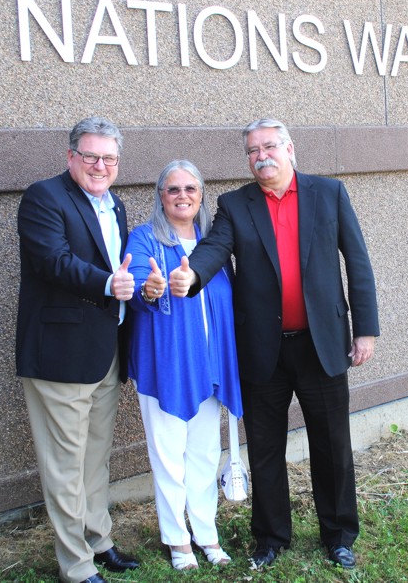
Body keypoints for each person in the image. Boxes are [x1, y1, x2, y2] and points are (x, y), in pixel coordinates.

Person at [168, 118, 380, 570]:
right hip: (264, 349)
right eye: (252, 150)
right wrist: (191, 275)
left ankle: (339, 535)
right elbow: (213, 248)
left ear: (288, 148)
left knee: (332, 446)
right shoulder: (235, 205)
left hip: (322, 345)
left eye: (268, 147)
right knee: (265, 449)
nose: (260, 156)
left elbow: (357, 262)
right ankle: (270, 538)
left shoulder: (328, 193)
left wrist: (366, 329)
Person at [15, 117, 140, 583]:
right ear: (71, 157)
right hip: (60, 354)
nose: (99, 165)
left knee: (94, 456)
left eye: (108, 158)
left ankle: (99, 540)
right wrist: (109, 282)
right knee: (65, 464)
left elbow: (120, 265)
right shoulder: (44, 197)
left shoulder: (117, 205)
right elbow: (53, 261)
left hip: (104, 350)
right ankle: (75, 565)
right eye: (90, 156)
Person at [124, 160, 242, 571]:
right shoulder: (144, 239)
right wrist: (151, 289)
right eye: (173, 189)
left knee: (206, 455)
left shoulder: (213, 245)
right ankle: (178, 541)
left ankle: (206, 534)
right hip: (168, 367)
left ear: (201, 195)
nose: (183, 196)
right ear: (161, 196)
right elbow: (139, 285)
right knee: (169, 455)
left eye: (191, 188)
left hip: (210, 367)